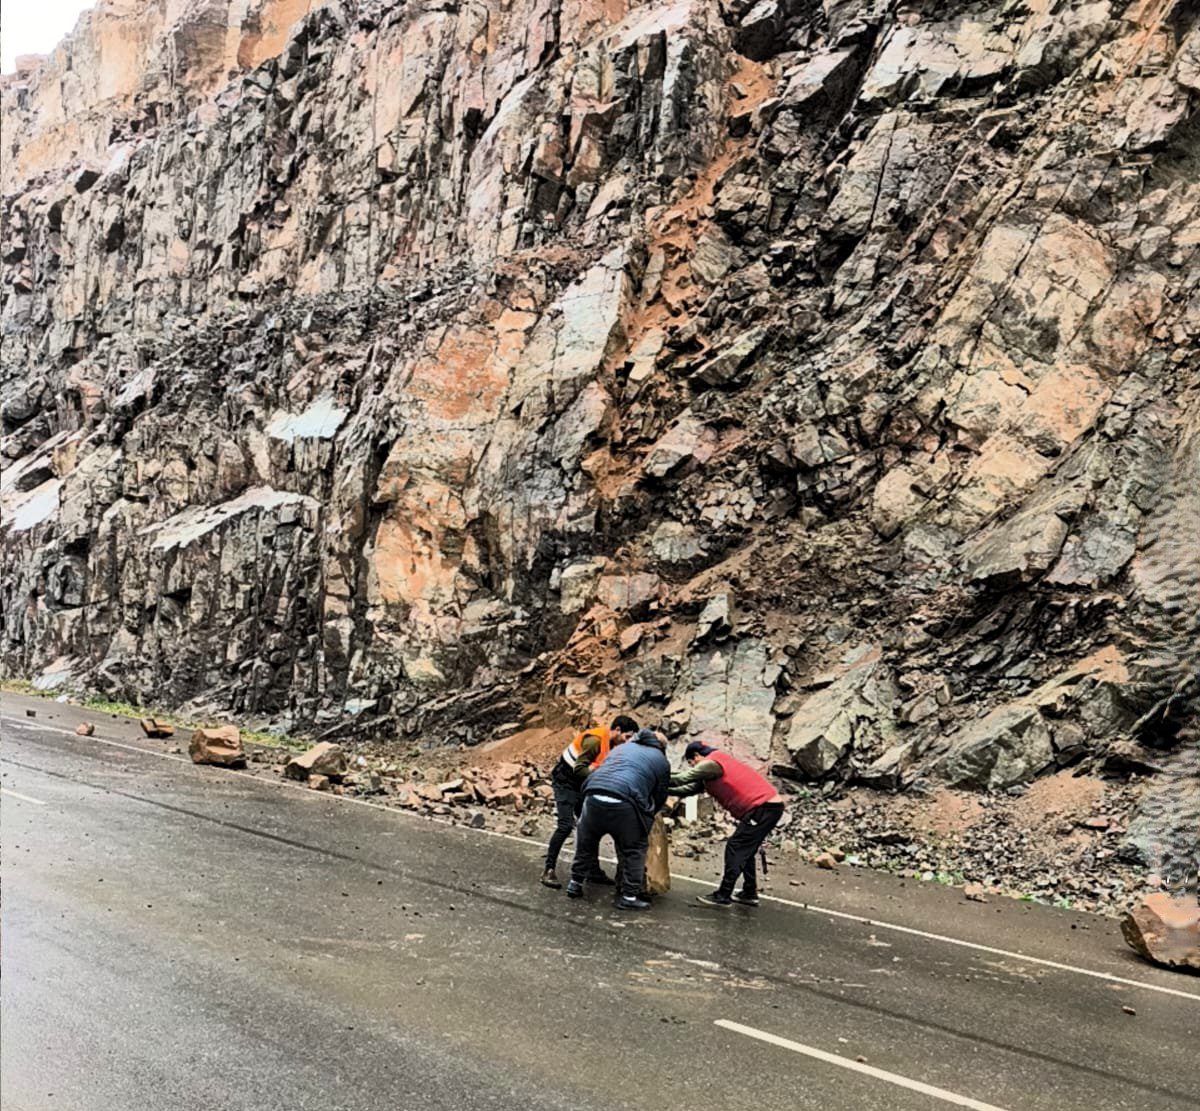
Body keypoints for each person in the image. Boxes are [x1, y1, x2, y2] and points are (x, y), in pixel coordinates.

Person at [669, 741, 785, 907]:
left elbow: (682, 779)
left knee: (736, 846)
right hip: (768, 807)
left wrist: (654, 774)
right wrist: (662, 789)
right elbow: (686, 789)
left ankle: (724, 894)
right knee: (746, 849)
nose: (692, 766)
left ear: (696, 756)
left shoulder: (711, 763)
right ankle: (749, 892)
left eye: (691, 763)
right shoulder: (712, 771)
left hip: (764, 807)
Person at [567, 727, 670, 911]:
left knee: (586, 842)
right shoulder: (661, 760)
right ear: (661, 747)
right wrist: (648, 816)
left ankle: (575, 883)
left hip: (593, 795)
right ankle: (629, 896)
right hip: (625, 802)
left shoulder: (621, 748)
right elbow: (660, 794)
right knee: (634, 848)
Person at [540, 714, 639, 888]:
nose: (627, 741)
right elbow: (579, 769)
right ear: (617, 730)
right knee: (565, 825)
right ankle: (548, 869)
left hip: (583, 784)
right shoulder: (594, 740)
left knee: (591, 826)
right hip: (566, 781)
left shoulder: (614, 744)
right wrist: (598, 773)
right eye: (627, 736)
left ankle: (592, 870)